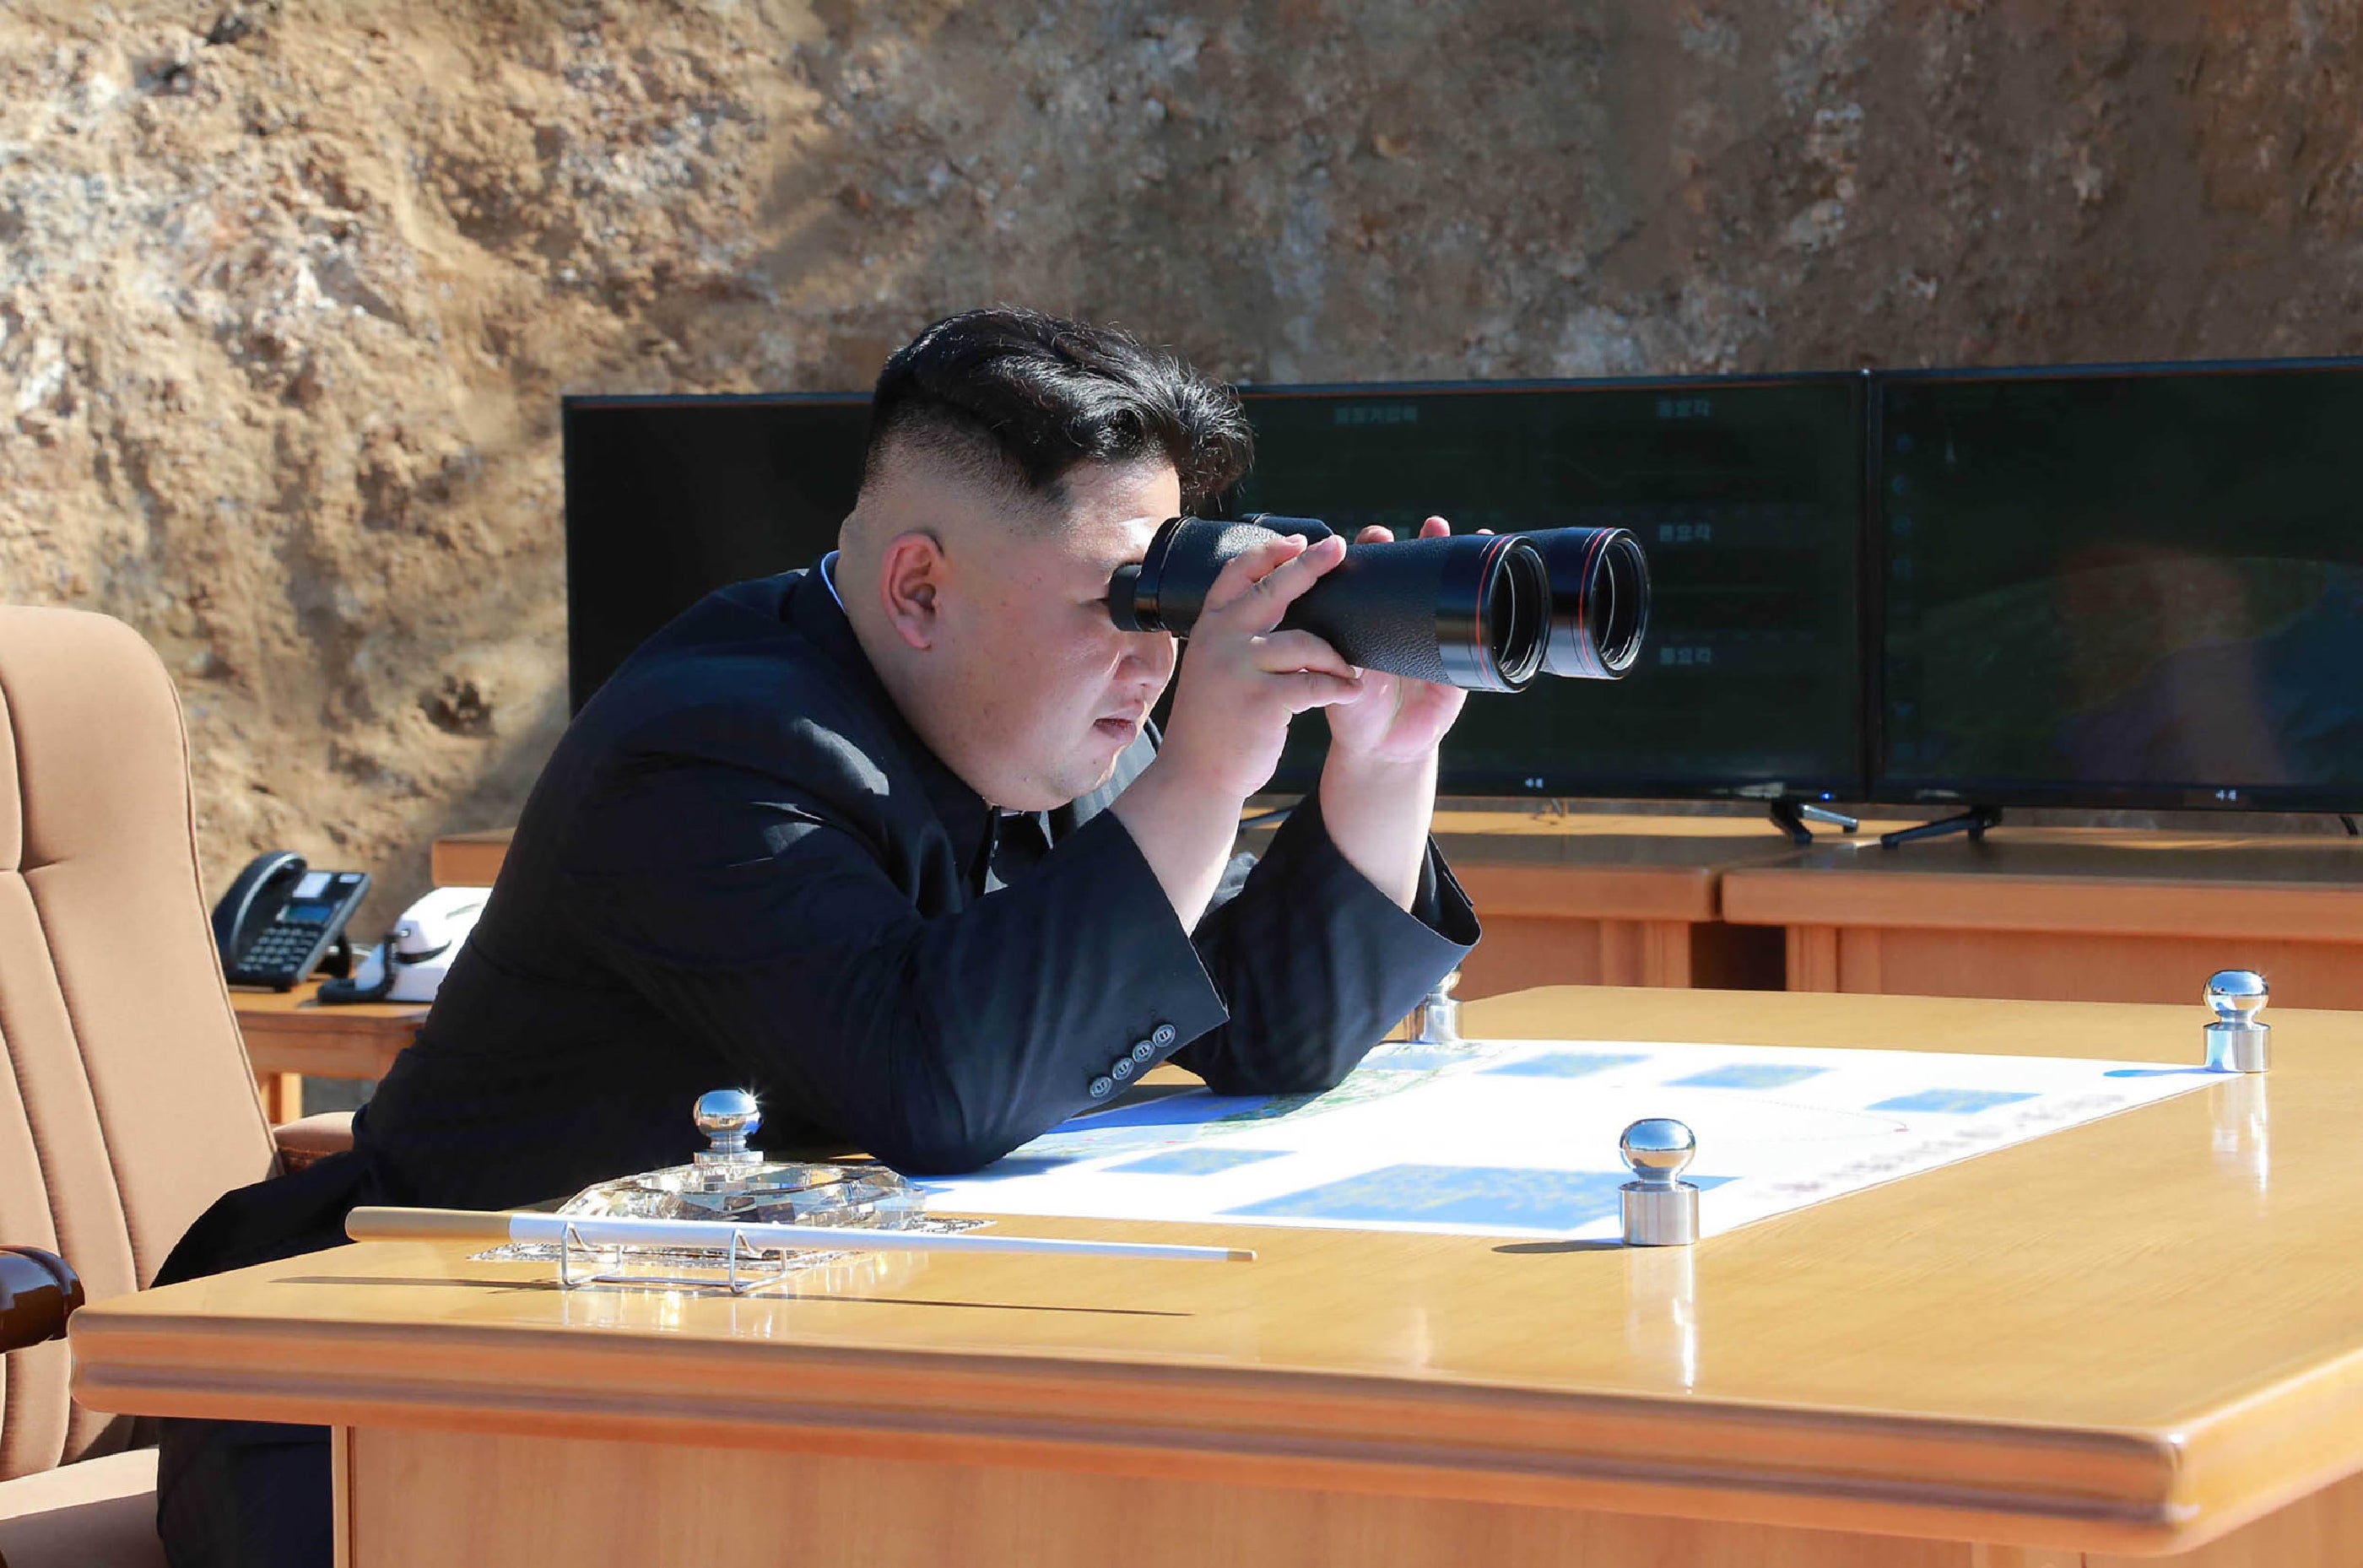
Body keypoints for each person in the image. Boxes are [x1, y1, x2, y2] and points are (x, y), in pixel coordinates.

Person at [153, 305, 1479, 1565]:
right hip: (401, 1424)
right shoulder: (716, 745)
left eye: (1170, 605)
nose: (1155, 658)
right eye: (1119, 603)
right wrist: (1206, 773)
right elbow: (934, 1082)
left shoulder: (1026, 726)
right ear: (918, 587)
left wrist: (1380, 761)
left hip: (722, 1394)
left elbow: (1259, 1026)